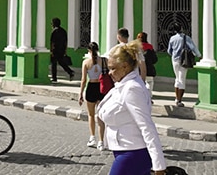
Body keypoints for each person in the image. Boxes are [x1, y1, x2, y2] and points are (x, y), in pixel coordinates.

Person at [97, 43, 167, 175]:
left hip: (134, 153)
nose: (110, 73)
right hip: (123, 150)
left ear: (125, 66)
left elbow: (147, 126)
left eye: (112, 68)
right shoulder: (121, 85)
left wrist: (159, 165)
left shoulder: (131, 88)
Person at [78, 41, 107, 150]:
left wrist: (80, 93)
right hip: (101, 89)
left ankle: (92, 137)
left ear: (89, 51)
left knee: (91, 115)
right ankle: (101, 141)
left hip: (91, 87)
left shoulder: (86, 63)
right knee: (100, 116)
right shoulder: (104, 61)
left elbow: (84, 80)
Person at [166, 23, 200, 107]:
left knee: (177, 78)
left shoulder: (172, 38)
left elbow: (169, 51)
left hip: (174, 60)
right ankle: (179, 100)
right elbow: (193, 48)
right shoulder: (186, 38)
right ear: (181, 28)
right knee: (182, 79)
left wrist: (174, 54)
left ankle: (176, 98)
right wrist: (199, 55)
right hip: (183, 61)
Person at [50, 17, 74, 82]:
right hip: (62, 49)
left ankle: (54, 78)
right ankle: (70, 72)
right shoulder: (63, 31)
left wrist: (51, 51)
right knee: (61, 62)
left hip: (55, 50)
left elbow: (52, 42)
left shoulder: (54, 31)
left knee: (54, 64)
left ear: (54, 24)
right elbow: (66, 42)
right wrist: (65, 50)